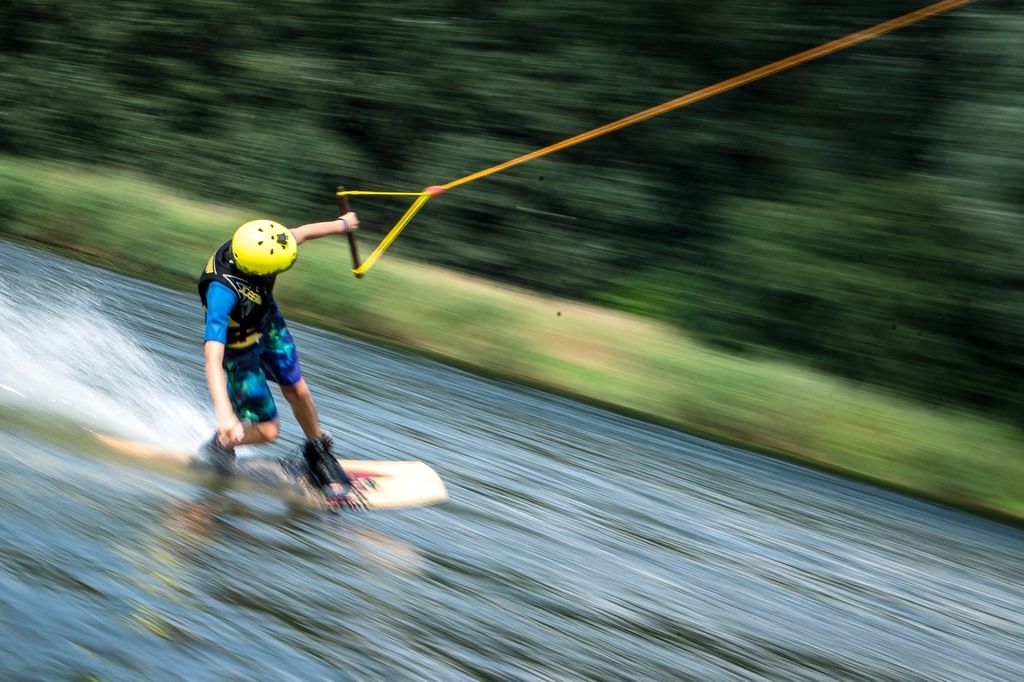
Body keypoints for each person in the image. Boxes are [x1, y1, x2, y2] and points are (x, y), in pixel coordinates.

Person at [197, 213, 360, 503]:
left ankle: (317, 451)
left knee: (297, 389)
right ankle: (219, 445)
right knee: (268, 431)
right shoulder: (221, 292)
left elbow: (303, 232)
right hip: (239, 351)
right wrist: (225, 415)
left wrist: (343, 224)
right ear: (256, 267)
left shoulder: (263, 242)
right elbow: (212, 358)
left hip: (268, 326)